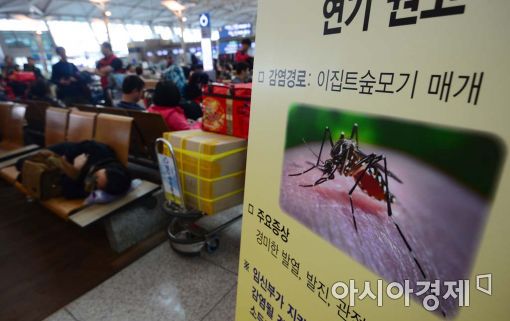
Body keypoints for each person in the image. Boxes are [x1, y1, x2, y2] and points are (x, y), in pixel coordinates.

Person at [16, 140, 131, 199]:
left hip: (62, 169)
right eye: (98, 176)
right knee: (20, 163)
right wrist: (67, 157)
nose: (94, 180)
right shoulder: (103, 153)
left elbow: (68, 192)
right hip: (66, 152)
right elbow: (83, 145)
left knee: (26, 171)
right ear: (106, 169)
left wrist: (75, 169)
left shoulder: (92, 187)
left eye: (97, 184)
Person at [96, 42, 123, 106]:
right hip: (105, 87)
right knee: (108, 105)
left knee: (117, 106)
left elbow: (105, 70)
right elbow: (96, 71)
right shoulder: (100, 61)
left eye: (102, 49)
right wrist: (103, 72)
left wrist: (102, 71)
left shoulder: (116, 60)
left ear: (107, 48)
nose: (101, 51)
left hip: (116, 88)